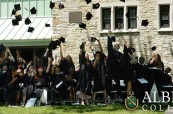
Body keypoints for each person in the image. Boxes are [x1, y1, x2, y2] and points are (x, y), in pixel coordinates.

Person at [107, 33, 124, 101]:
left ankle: (119, 95)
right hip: (110, 69)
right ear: (114, 46)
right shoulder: (111, 51)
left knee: (118, 83)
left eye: (118, 46)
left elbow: (122, 61)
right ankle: (110, 96)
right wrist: (109, 37)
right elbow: (109, 45)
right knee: (109, 83)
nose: (117, 46)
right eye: (117, 45)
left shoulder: (120, 54)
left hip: (116, 70)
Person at [92, 38, 107, 104]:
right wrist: (96, 60)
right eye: (97, 55)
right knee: (95, 90)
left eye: (99, 55)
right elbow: (93, 67)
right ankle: (93, 101)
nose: (98, 56)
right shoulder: (93, 61)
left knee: (104, 89)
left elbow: (102, 50)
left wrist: (99, 42)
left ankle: (105, 101)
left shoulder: (102, 60)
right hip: (96, 77)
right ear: (95, 56)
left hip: (102, 76)